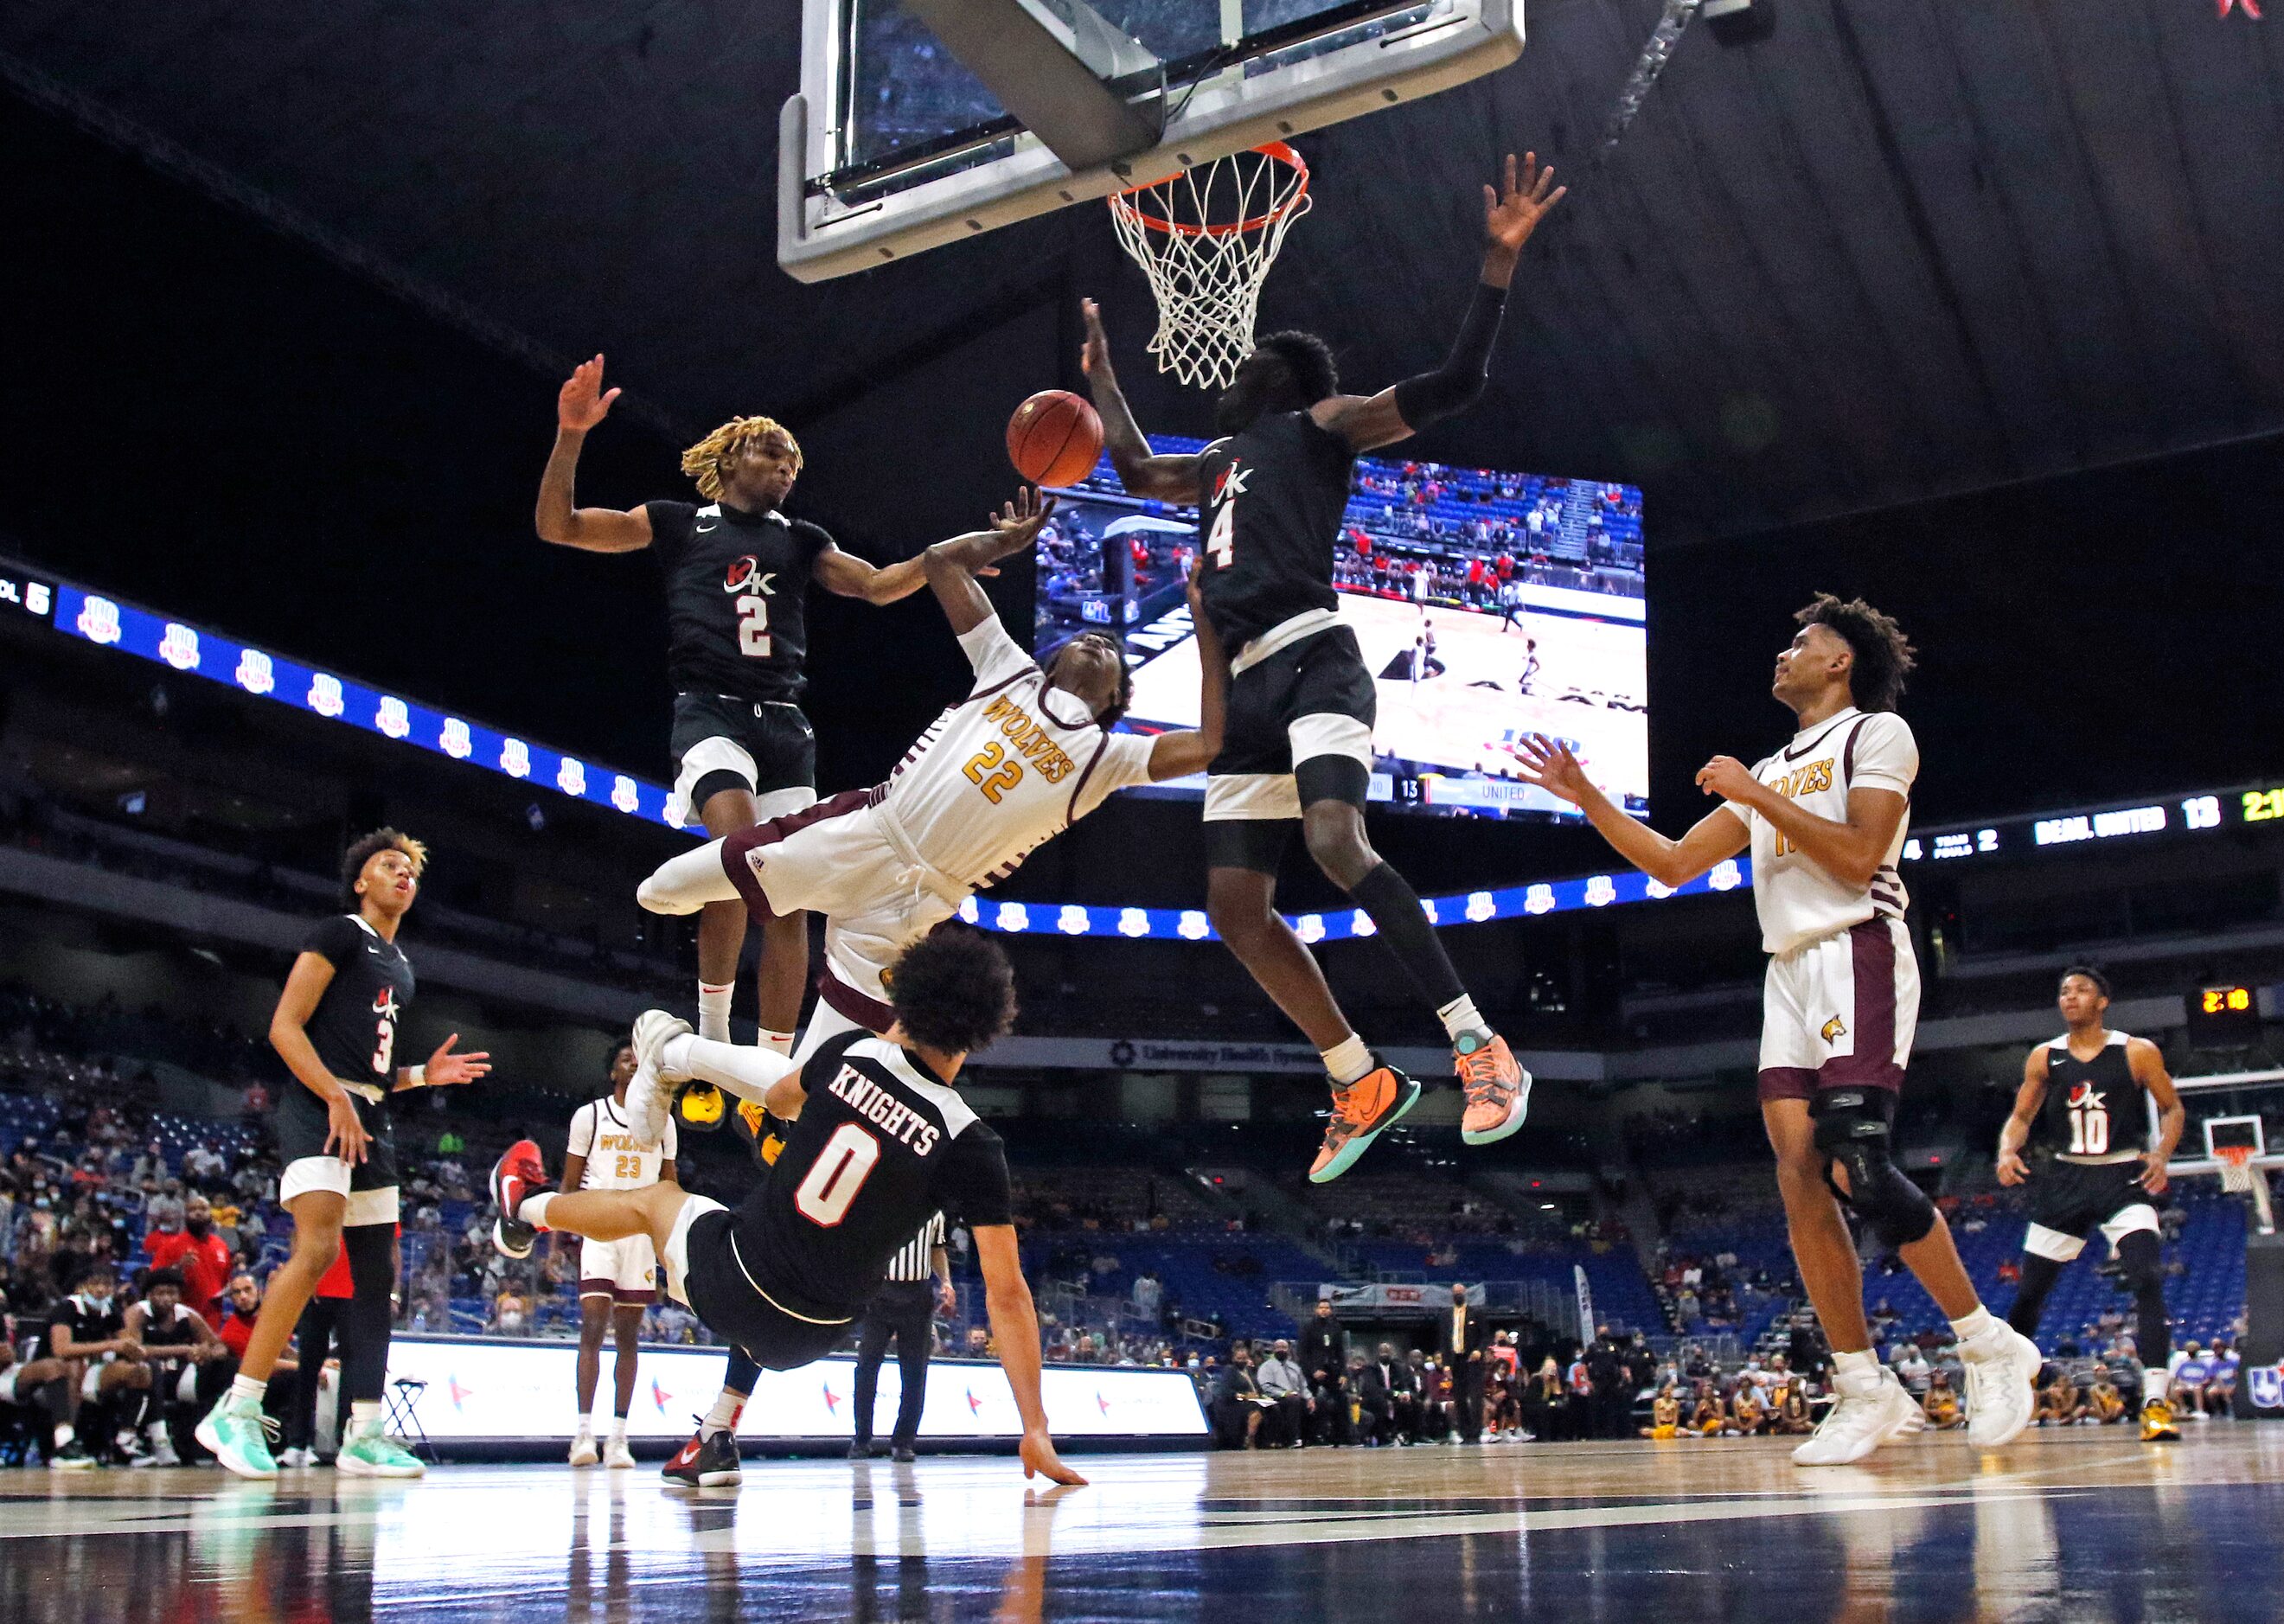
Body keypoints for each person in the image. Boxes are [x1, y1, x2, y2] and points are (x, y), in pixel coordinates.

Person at [632, 496, 1223, 1465]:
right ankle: (701, 1014)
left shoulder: (1109, 758)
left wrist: (1203, 618)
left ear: (1115, 700)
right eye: (1087, 639)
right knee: (663, 890)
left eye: (1114, 658)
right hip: (865, 830)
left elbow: (1207, 744)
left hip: (915, 905)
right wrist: (1001, 542)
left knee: (800, 1091)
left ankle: (672, 1047)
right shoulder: (1007, 670)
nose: (1098, 647)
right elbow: (942, 566)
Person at [1079, 154, 1565, 1182]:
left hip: (1313, 658)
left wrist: (1496, 271)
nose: (1239, 362)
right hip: (1242, 687)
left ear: (1290, 380)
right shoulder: (1212, 465)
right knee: (1235, 911)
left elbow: (1456, 385)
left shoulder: (1322, 422)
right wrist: (1106, 387)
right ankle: (1358, 1077)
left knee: (1336, 839)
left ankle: (1480, 1047)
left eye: (1257, 356)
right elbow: (1129, 468)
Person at [1515, 596, 2041, 1465]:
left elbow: (1858, 856)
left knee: (1855, 1161)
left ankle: (1987, 1343)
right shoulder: (1770, 763)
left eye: (1802, 641)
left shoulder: (1876, 735)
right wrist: (1587, 799)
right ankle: (1863, 1385)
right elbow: (1675, 864)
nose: (1785, 652)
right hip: (1789, 970)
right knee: (1798, 1174)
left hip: (1857, 947)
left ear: (1840, 662)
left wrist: (1756, 793)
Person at [488, 930, 1084, 1489]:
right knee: (790, 1254)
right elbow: (1007, 1294)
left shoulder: (851, 1053)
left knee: (657, 1201)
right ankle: (716, 1433)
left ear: (905, 1001)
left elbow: (775, 1098)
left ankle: (527, 1207)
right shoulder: (972, 1142)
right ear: (982, 1030)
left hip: (738, 1280)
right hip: (810, 1341)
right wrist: (1034, 1425)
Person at [537, 364, 939, 1053]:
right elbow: (560, 527)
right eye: (772, 453)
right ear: (729, 458)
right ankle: (715, 1032)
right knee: (738, 855)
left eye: (793, 461)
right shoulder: (676, 522)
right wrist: (570, 434)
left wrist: (948, 557)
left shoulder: (801, 538)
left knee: (789, 900)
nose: (786, 468)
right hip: (710, 713)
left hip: (785, 723)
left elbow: (876, 586)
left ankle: (771, 1066)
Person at [196, 829, 490, 1480]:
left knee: (376, 1279)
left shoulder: (400, 966)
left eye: (412, 868)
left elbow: (377, 1074)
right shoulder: (339, 933)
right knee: (319, 1249)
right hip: (319, 1105)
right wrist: (334, 1097)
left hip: (369, 1115)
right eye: (390, 864)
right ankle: (236, 1410)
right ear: (361, 880)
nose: (403, 874)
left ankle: (364, 1433)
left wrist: (421, 1077)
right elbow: (284, 1027)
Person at [1996, 964, 2185, 1443]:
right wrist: (2006, 1150)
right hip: (2065, 1177)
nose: (2070, 997)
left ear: (2102, 1002)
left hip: (2122, 1174)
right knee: (2030, 1296)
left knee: (2146, 1277)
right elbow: (2022, 1115)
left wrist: (2161, 1154)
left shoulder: (2136, 1052)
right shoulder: (2046, 1057)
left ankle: (2156, 1402)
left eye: (2081, 990)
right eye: (2064, 991)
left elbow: (2172, 1107)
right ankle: (2004, 1392)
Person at [562, 1038, 679, 1470]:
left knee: (629, 1336)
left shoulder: (663, 1122)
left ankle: (619, 1438)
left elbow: (670, 1187)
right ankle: (582, 1435)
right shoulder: (589, 1116)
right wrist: (560, 1238)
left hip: (640, 1233)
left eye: (639, 1059)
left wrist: (669, 1246)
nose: (633, 1063)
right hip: (598, 1224)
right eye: (625, 1059)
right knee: (592, 1327)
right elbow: (569, 1184)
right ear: (613, 1071)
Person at [848, 1212, 955, 1464]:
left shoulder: (935, 1211)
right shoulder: (882, 1200)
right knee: (866, 1367)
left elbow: (936, 1249)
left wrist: (947, 1282)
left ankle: (904, 1442)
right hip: (880, 1291)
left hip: (917, 1294)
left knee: (915, 1371)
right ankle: (862, 1438)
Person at [37, 1262, 155, 1467]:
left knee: (141, 1371)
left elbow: (127, 1344)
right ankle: (65, 1445)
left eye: (107, 1285)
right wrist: (112, 1345)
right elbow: (61, 1350)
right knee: (72, 1364)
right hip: (53, 1375)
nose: (101, 1290)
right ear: (81, 1288)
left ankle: (125, 1441)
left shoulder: (111, 1309)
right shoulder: (66, 1307)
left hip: (91, 1371)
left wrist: (134, 1349)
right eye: (95, 1284)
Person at [124, 1266, 230, 1465]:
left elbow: (220, 1347)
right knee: (152, 1367)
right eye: (160, 1293)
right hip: (146, 1377)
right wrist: (183, 1349)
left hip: (178, 1377)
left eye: (172, 1293)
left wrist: (206, 1352)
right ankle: (159, 1440)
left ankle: (219, 1438)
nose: (167, 1298)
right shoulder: (138, 1313)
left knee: (227, 1367)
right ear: (149, 1295)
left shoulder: (187, 1315)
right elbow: (134, 1350)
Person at [145, 1193, 233, 1330]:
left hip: (212, 1320)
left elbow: (225, 1282)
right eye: (192, 1210)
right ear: (185, 1215)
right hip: (179, 1318)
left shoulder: (221, 1245)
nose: (198, 1213)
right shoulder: (171, 1244)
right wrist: (178, 1267)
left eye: (203, 1209)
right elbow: (153, 1280)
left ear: (211, 1214)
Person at [1436, 1283, 1487, 1442]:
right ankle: (1465, 1433)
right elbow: (1444, 1341)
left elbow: (1485, 1336)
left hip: (1472, 1360)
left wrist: (1479, 1350)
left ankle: (1476, 1432)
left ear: (1465, 1294)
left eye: (1460, 1292)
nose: (1458, 1295)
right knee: (1459, 1398)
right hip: (1455, 1361)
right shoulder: (1445, 1315)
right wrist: (1445, 1364)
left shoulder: (1476, 1313)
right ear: (1452, 1295)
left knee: (1476, 1397)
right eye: (1455, 1293)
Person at [1297, 1297, 1350, 1446]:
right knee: (1309, 1403)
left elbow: (1340, 1353)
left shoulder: (1336, 1327)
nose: (1324, 1310)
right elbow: (1302, 1353)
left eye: (1327, 1308)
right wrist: (1313, 1370)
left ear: (1330, 1310)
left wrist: (1343, 1373)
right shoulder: (1307, 1326)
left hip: (1332, 1371)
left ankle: (1342, 1438)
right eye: (1321, 1308)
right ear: (1316, 1310)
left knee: (1341, 1401)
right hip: (1312, 1372)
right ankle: (1307, 1438)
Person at [1254, 1339, 1310, 1448]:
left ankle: (1312, 1438)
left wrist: (1310, 1398)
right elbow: (1266, 1387)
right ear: (1274, 1350)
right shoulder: (1266, 1367)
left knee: (1315, 1402)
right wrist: (1284, 1394)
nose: (1281, 1350)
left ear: (1288, 1350)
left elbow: (1303, 1386)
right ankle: (1293, 1439)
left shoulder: (1295, 1367)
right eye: (1279, 1347)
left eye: (1284, 1348)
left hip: (1295, 1396)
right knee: (1293, 1401)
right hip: (1275, 1398)